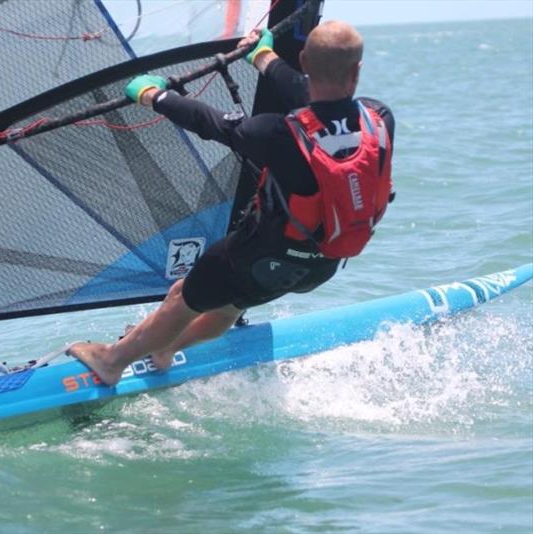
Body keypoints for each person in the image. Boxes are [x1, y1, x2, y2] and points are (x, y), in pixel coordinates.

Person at [69, 21, 395, 386]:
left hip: (262, 258)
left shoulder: (275, 133)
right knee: (230, 301)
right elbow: (321, 103)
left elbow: (212, 123)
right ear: (358, 70)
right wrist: (264, 57)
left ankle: (113, 361)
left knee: (184, 297)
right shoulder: (379, 118)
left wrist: (154, 96)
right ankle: (165, 348)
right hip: (324, 263)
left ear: (303, 60)